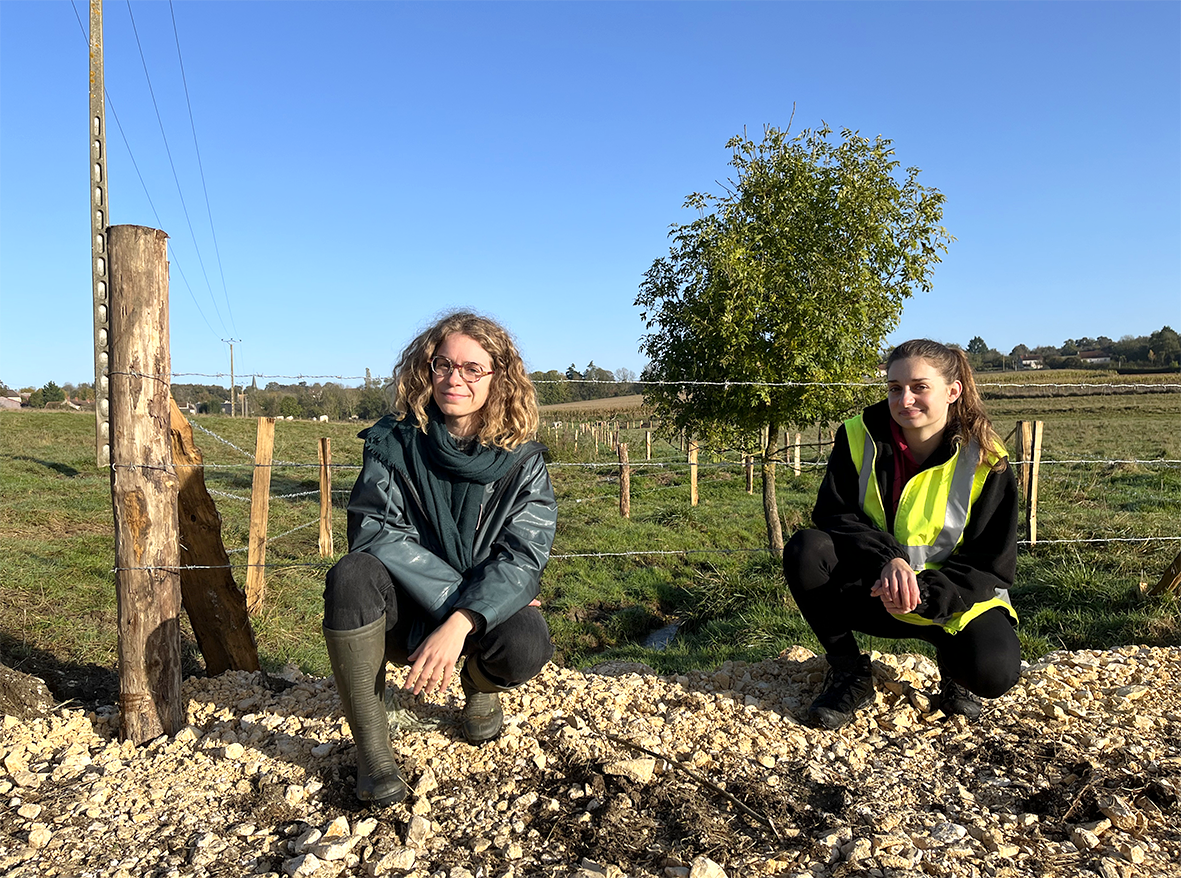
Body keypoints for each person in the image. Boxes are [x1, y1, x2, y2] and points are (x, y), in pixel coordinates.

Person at [322, 311, 557, 805]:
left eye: (473, 369)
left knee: (526, 640)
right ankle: (373, 754)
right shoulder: (392, 442)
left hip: (472, 619)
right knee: (351, 574)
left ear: (499, 378)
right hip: (404, 610)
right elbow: (373, 530)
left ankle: (478, 687)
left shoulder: (524, 461)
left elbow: (523, 555)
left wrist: (467, 618)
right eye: (444, 364)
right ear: (426, 369)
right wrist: (456, 603)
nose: (455, 379)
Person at [783, 338, 1021, 730]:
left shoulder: (986, 459)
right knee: (806, 550)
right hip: (875, 587)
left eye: (919, 387)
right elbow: (834, 513)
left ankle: (955, 675)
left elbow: (991, 562)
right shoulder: (858, 436)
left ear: (952, 391)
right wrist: (888, 560)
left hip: (952, 599)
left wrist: (925, 594)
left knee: (994, 671)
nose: (904, 399)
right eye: (895, 388)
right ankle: (848, 673)